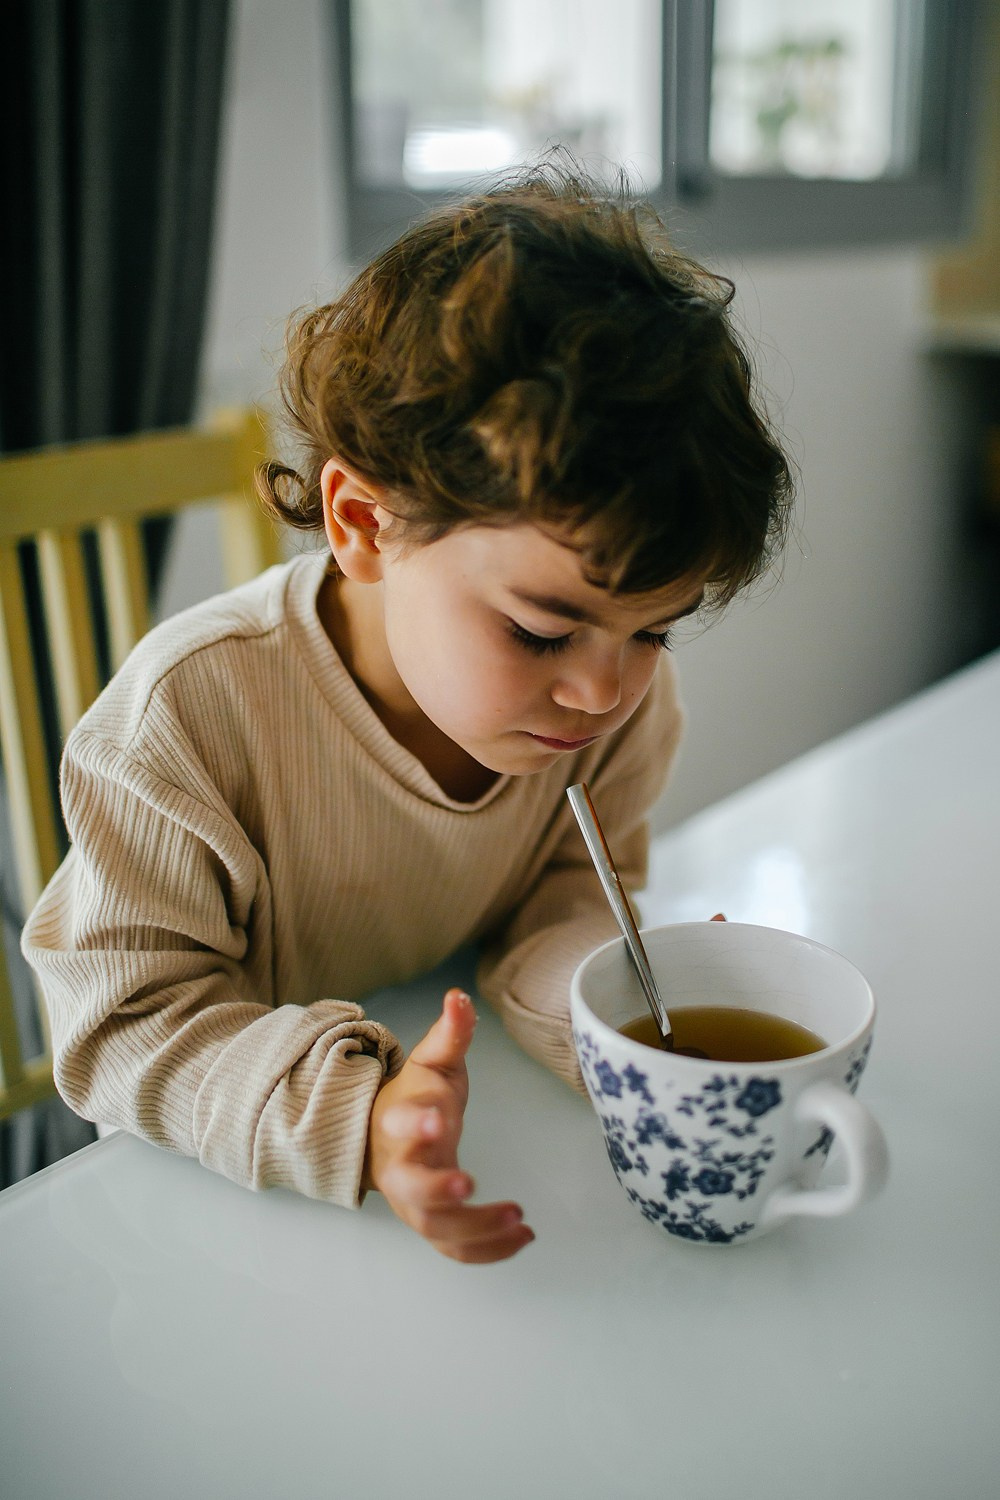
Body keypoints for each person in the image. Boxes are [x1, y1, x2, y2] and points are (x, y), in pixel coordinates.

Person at [22, 160, 792, 1264]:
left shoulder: (618, 707)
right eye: (541, 632)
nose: (604, 693)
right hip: (186, 1216)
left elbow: (567, 894)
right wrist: (359, 1113)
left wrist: (616, 1006)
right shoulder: (185, 722)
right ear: (363, 525)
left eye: (654, 632)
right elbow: (122, 1027)